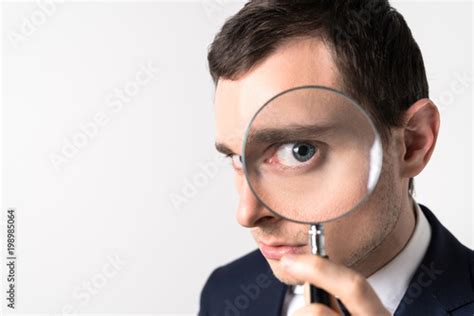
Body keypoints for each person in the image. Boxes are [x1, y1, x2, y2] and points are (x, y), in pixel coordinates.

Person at [199, 1, 474, 315]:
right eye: (237, 158)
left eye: (299, 151)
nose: (246, 214)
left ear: (413, 142)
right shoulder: (224, 293)